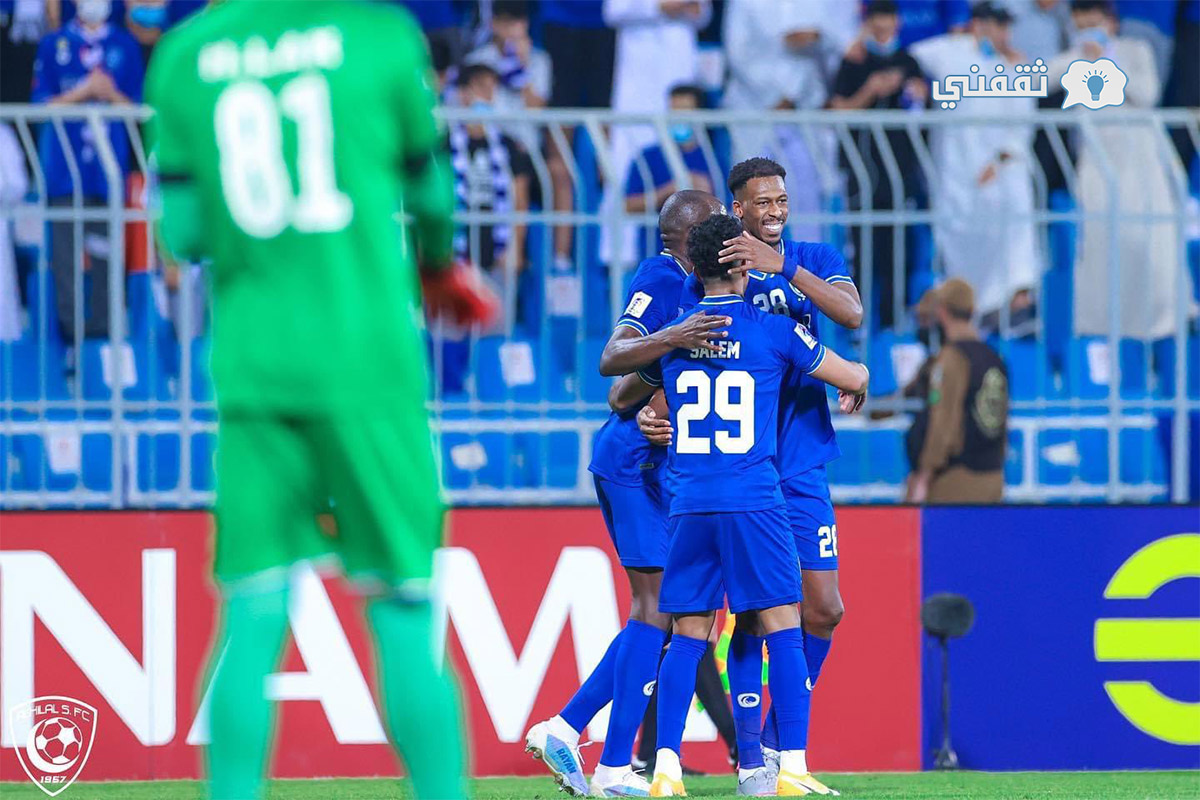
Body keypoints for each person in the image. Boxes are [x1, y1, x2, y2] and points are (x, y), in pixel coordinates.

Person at [145, 3, 497, 798]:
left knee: (253, 612)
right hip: (367, 360)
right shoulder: (378, 37)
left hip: (255, 368)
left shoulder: (181, 57)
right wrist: (438, 268)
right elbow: (434, 196)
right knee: (405, 605)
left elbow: (186, 230)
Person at [638, 158, 864, 795]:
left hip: (795, 464)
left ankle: (735, 754)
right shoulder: (718, 290)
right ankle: (760, 761)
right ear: (736, 211)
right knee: (754, 612)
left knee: (823, 608)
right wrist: (659, 414)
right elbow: (672, 356)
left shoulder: (811, 255)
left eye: (781, 199)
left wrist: (784, 268)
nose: (773, 210)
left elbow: (850, 312)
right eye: (761, 201)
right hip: (750, 473)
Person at [524, 189, 728, 798]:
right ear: (693, 238)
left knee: (668, 612)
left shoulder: (705, 288)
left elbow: (638, 386)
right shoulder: (663, 279)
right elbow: (615, 363)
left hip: (659, 464)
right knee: (660, 609)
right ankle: (604, 760)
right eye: (717, 220)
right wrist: (672, 343)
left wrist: (659, 398)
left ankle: (574, 734)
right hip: (632, 463)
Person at [1047, 0, 1192, 340]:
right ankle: (1102, 333)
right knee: (1102, 248)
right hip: (1097, 166)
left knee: (1152, 246)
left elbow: (1148, 93)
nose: (1088, 31)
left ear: (1111, 23)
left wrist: (1109, 63)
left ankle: (1163, 328)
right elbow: (1037, 77)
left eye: (1094, 23)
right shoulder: (1074, 59)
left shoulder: (1135, 50)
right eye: (1080, 25)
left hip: (1142, 164)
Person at [910, 1, 1042, 327]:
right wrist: (915, 83)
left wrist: (999, 160)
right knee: (957, 241)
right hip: (953, 173)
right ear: (979, 24)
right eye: (997, 25)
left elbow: (1023, 125)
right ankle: (964, 311)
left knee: (1015, 200)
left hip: (996, 171)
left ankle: (1013, 298)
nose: (1004, 33)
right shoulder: (948, 51)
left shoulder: (1013, 67)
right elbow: (908, 57)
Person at [32, 0, 143, 341]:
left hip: (107, 175)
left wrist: (109, 94)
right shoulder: (54, 44)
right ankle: (69, 332)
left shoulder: (124, 45)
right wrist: (83, 93)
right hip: (65, 174)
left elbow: (138, 107)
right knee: (65, 256)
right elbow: (39, 105)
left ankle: (105, 329)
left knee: (106, 251)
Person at [830, 0, 929, 329]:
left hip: (901, 171)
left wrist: (920, 94)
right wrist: (870, 90)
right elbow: (838, 109)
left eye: (889, 17)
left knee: (900, 251)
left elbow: (923, 106)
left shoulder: (909, 61)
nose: (884, 25)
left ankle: (894, 325)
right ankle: (859, 325)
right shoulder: (854, 60)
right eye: (878, 18)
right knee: (864, 251)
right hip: (864, 171)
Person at [601, 0, 711, 271]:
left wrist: (692, 9)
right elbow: (614, 10)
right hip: (638, 82)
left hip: (680, 67)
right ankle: (621, 257)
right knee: (628, 162)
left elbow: (703, 13)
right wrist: (663, 7)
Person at [905, 279, 1009, 504]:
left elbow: (943, 422)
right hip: (993, 476)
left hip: (956, 479)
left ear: (941, 312)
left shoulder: (952, 358)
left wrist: (925, 474)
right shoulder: (995, 359)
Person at [449, 63, 533, 277]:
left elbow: (520, 199)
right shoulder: (443, 145)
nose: (487, 96)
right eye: (480, 87)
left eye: (492, 89)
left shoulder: (509, 145)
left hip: (496, 253)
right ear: (463, 94)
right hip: (454, 254)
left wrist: (515, 247)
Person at [624, 85, 721, 258]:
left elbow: (730, 208)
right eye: (673, 111)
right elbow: (628, 206)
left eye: (685, 111)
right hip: (655, 256)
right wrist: (669, 191)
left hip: (702, 261)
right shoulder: (648, 157)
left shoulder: (714, 160)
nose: (678, 118)